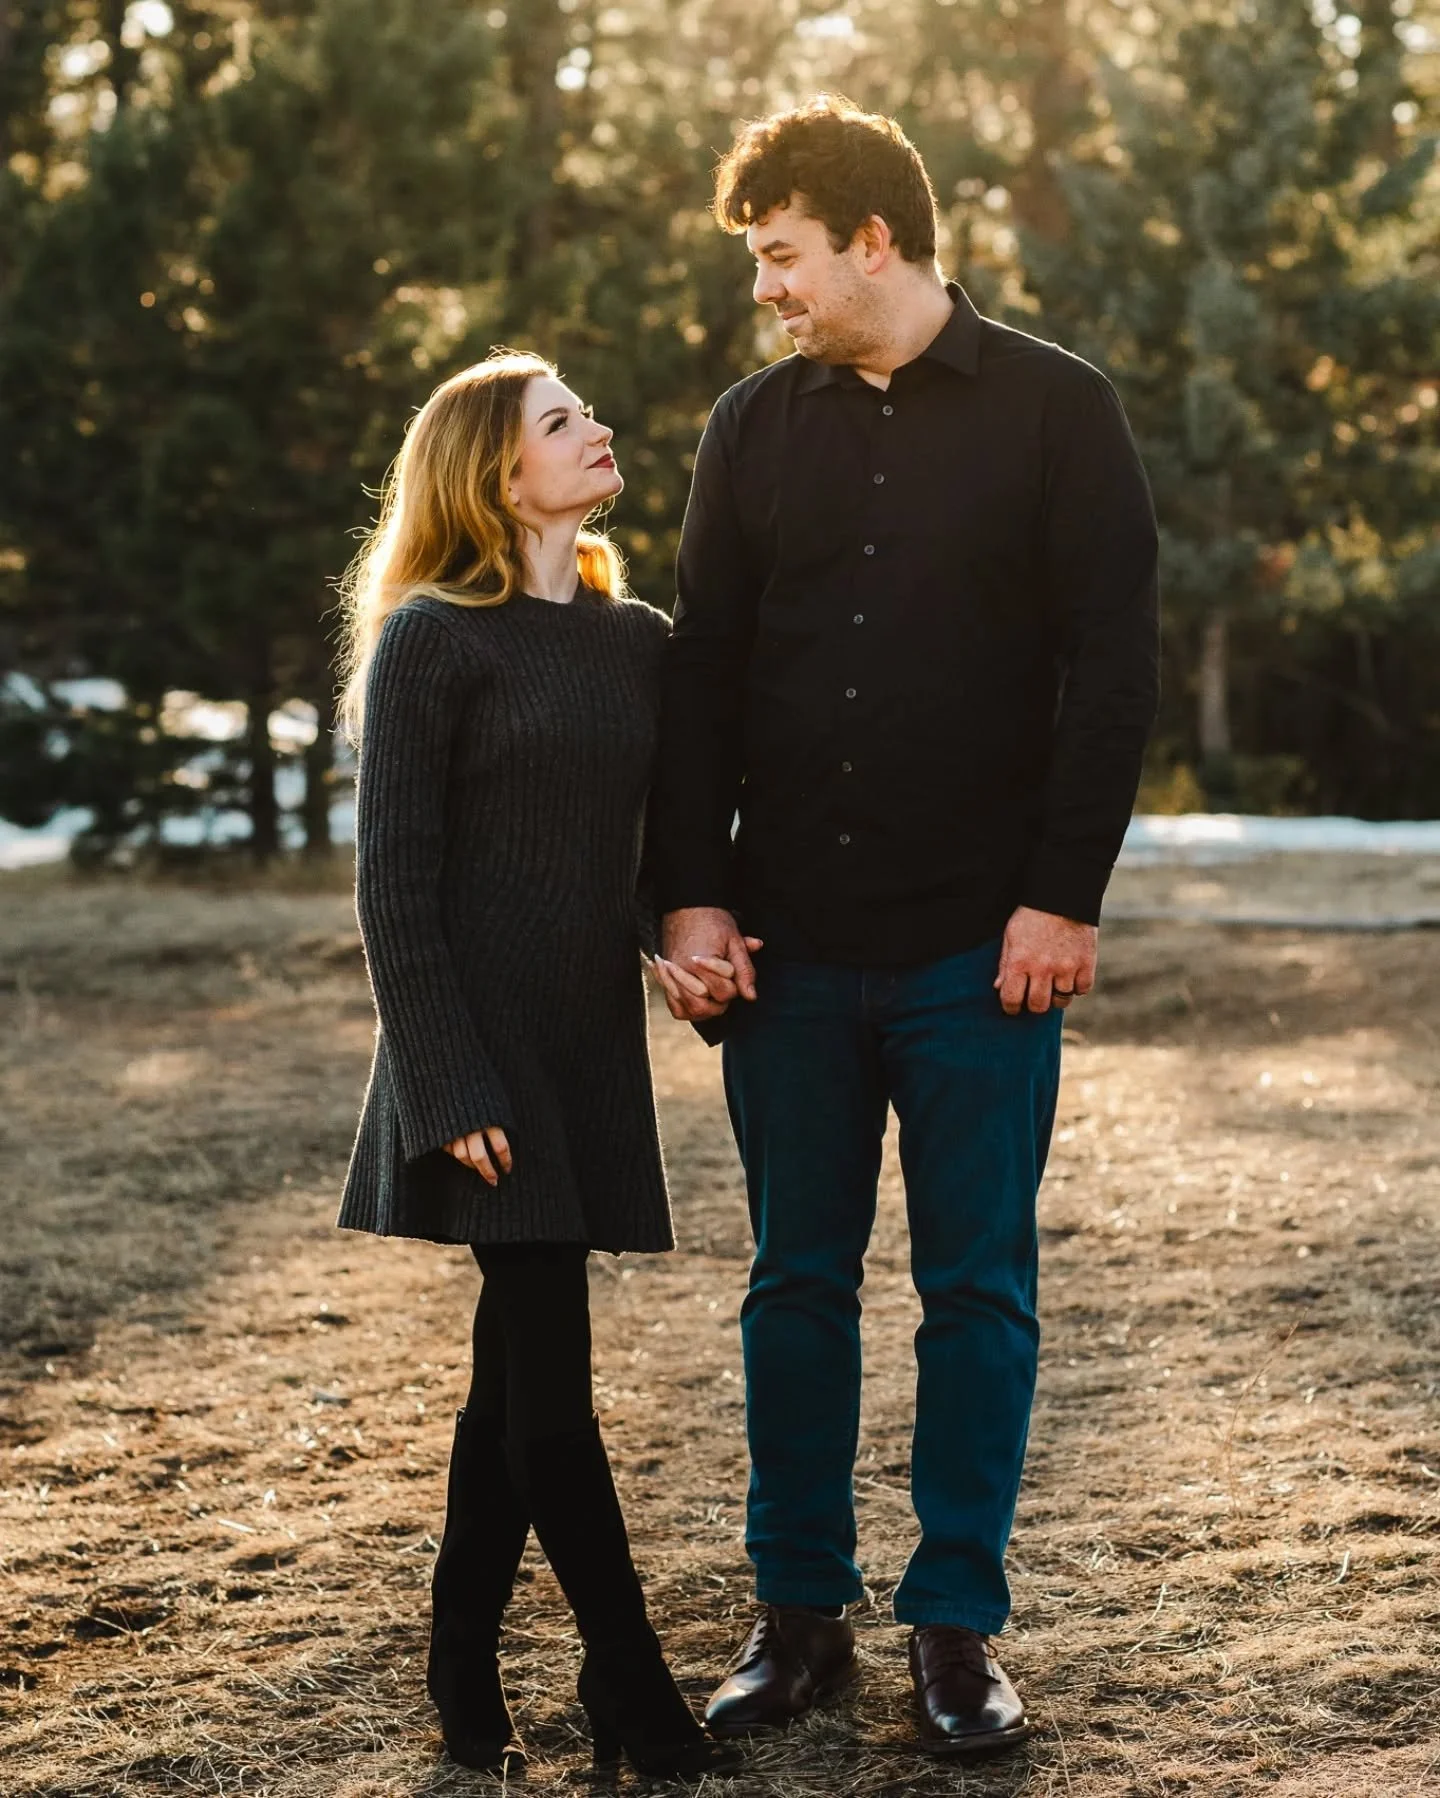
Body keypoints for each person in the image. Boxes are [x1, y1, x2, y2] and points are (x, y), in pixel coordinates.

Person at [649, 97, 1160, 1757]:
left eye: (782, 257)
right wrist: (690, 886)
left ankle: (957, 1627)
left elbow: (1116, 668)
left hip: (978, 948)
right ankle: (798, 1616)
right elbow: (703, 667)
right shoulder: (749, 426)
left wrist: (1063, 893)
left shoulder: (1057, 410)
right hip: (788, 948)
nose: (767, 292)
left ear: (875, 240)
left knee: (978, 1291)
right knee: (796, 1282)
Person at [334, 351, 738, 1781]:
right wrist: (448, 1087)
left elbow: (608, 844)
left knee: (513, 1386)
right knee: (551, 1394)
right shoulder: (435, 640)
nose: (596, 430)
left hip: (582, 1045)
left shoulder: (636, 640)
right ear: (496, 476)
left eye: (585, 414)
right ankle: (630, 1683)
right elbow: (399, 887)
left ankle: (461, 1665)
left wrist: (663, 941)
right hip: (481, 1059)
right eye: (560, 422)